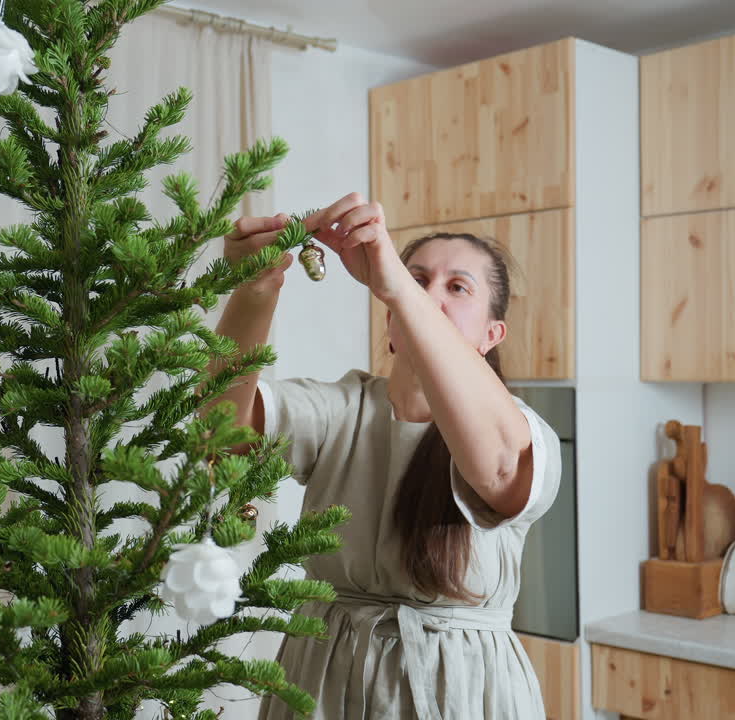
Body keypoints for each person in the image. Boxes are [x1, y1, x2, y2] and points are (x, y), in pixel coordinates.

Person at [210, 193, 561, 719]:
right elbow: (221, 430)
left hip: (460, 694)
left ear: (493, 335)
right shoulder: (341, 409)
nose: (431, 297)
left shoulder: (520, 429)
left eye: (457, 287)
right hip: (322, 681)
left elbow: (500, 469)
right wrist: (255, 289)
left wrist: (397, 285)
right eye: (417, 279)